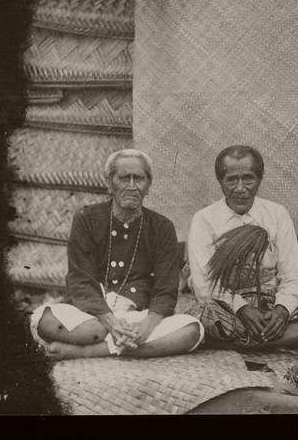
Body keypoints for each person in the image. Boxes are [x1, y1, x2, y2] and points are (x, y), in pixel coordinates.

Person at [30, 149, 204, 360]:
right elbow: (80, 279)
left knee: (192, 330)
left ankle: (88, 351)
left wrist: (146, 327)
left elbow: (166, 289)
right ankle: (118, 342)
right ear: (110, 183)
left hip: (138, 315)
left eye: (138, 178)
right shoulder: (87, 218)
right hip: (91, 315)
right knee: (44, 319)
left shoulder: (162, 227)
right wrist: (110, 323)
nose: (131, 186)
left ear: (148, 185)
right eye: (123, 178)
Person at [188, 145, 298, 350]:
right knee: (202, 318)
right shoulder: (204, 219)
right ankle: (271, 342)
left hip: (270, 309)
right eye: (231, 180)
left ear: (260, 179)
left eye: (248, 178)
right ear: (220, 181)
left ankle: (241, 343)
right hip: (227, 311)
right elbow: (204, 285)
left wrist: (282, 311)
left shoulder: (276, 214)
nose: (240, 188)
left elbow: (292, 276)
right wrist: (242, 308)